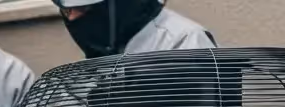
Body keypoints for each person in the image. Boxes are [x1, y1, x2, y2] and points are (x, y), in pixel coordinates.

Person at [53, 0, 216, 58]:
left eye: (84, 9)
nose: (72, 18)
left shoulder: (183, 41)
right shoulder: (98, 55)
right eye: (66, 11)